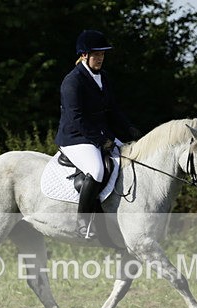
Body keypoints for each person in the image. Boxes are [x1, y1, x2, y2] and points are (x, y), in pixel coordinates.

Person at [55, 29, 140, 238]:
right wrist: (102, 141)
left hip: (99, 134)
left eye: (103, 54)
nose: (101, 58)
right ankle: (82, 223)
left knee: (130, 158)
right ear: (84, 54)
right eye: (97, 54)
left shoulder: (103, 77)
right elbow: (77, 118)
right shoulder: (72, 81)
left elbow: (112, 110)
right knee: (97, 170)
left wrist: (129, 129)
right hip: (75, 138)